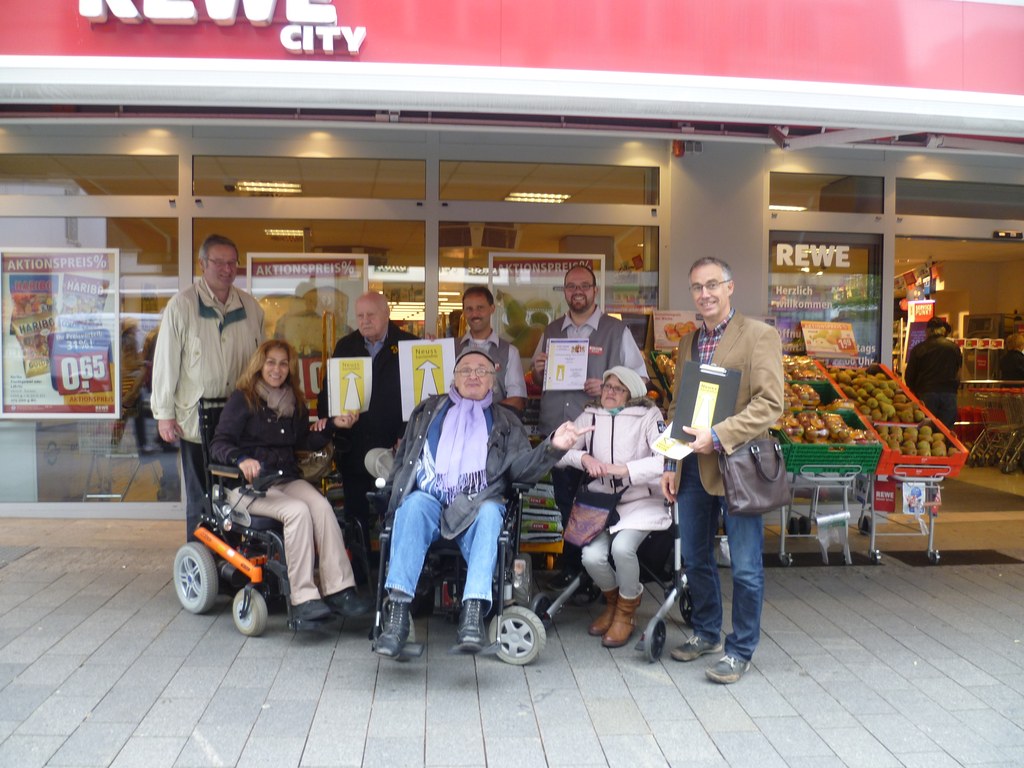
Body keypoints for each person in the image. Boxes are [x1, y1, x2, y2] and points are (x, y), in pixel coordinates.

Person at [374, 349, 590, 659]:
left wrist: (553, 447)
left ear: (493, 380)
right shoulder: (428, 410)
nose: (473, 375)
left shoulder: (506, 421)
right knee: (413, 505)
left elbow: (520, 471)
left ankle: (472, 616)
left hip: (478, 503)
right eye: (466, 370)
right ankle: (396, 619)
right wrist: (392, 498)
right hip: (431, 500)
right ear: (454, 377)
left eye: (481, 371)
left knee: (492, 513)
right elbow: (404, 461)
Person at [660, 256, 784, 685]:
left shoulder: (760, 336)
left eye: (713, 284)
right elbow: (678, 408)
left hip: (739, 465)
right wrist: (671, 462)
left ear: (731, 287)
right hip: (694, 467)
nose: (704, 293)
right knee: (695, 557)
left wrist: (718, 434)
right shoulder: (688, 343)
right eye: (697, 287)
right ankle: (708, 632)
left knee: (746, 566)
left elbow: (770, 405)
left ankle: (741, 649)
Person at [211, 340, 372, 623]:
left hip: (285, 478)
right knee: (297, 511)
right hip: (248, 485)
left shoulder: (293, 400)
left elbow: (302, 442)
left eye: (283, 363)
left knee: (321, 507)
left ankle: (339, 589)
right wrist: (241, 459)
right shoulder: (243, 398)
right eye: (271, 362)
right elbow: (219, 443)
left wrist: (333, 425)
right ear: (260, 365)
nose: (277, 369)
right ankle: (303, 598)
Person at [530, 264, 649, 588]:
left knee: (597, 505)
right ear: (565, 292)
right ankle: (573, 570)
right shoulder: (551, 330)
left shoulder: (615, 331)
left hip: (603, 438)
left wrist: (611, 386)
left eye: (584, 285)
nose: (577, 291)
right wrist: (539, 369)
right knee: (566, 504)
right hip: (560, 434)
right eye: (571, 286)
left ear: (595, 291)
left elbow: (642, 380)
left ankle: (596, 573)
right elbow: (538, 379)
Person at [152, 234, 264, 541]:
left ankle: (235, 561)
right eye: (219, 262)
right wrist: (164, 413)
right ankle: (203, 561)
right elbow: (166, 363)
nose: (227, 269)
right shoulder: (183, 306)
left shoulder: (252, 309)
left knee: (238, 494)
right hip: (194, 420)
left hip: (240, 420)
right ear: (203, 264)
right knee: (202, 495)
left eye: (232, 263)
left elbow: (262, 366)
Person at [556, 366, 668, 648]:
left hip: (641, 499)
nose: (609, 392)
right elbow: (561, 451)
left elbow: (665, 460)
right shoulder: (591, 413)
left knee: (622, 549)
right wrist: (583, 458)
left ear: (631, 393)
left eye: (618, 388)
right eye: (607, 386)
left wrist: (625, 469)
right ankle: (615, 602)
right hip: (602, 502)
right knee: (591, 557)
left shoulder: (649, 415)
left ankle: (626, 614)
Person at [316, 291, 417, 540]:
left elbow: (423, 398)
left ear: (387, 313)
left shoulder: (410, 345)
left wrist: (407, 433)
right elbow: (329, 394)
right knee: (355, 516)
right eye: (359, 315)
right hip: (355, 444)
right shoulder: (345, 346)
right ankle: (360, 574)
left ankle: (393, 571)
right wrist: (332, 422)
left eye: (370, 314)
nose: (364, 320)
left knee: (398, 513)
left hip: (397, 446)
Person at [458, 286, 527, 413]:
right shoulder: (451, 348)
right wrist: (433, 345)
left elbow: (517, 400)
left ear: (492, 309)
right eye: (469, 309)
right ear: (464, 312)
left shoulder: (510, 352)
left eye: (480, 308)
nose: (475, 314)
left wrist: (482, 415)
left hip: (495, 429)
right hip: (455, 430)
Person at [904, 316, 962, 432]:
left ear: (928, 331)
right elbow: (958, 373)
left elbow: (909, 376)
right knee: (946, 432)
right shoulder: (954, 348)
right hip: (949, 395)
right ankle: (946, 449)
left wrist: (915, 391)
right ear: (943, 331)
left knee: (925, 432)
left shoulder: (919, 349)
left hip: (926, 394)